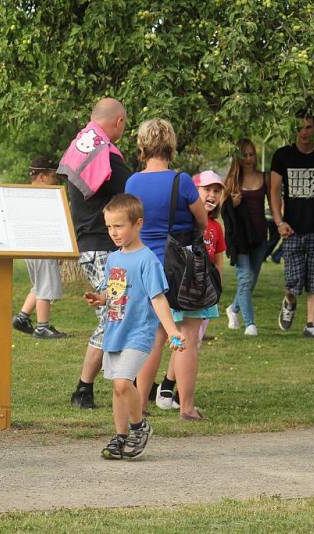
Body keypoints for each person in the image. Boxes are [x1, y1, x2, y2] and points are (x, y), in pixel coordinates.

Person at [84, 194, 184, 460]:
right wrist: (101, 298)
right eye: (109, 227)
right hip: (115, 330)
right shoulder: (114, 259)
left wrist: (172, 330)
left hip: (138, 333)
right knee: (117, 389)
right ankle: (120, 436)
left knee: (122, 382)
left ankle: (140, 427)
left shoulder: (147, 260)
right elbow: (114, 292)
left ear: (137, 224)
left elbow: (158, 298)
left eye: (119, 226)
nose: (113, 232)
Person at [124, 119, 209, 421]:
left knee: (153, 336)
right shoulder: (181, 181)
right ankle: (186, 407)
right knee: (185, 332)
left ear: (143, 145)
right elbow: (202, 221)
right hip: (182, 266)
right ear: (171, 145)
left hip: (147, 265)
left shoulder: (132, 183)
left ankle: (142, 404)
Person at [64, 97, 131, 409]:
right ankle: (83, 388)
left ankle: (130, 379)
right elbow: (130, 196)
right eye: (125, 123)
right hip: (104, 249)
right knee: (112, 315)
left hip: (88, 246)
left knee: (116, 313)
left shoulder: (82, 146)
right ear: (118, 121)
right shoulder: (108, 154)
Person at [156, 170, 225, 411]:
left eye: (217, 191)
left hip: (203, 293)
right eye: (207, 189)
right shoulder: (186, 224)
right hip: (181, 288)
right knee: (177, 337)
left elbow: (218, 262)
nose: (212, 195)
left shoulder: (216, 227)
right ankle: (166, 388)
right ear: (194, 193)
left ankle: (171, 389)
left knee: (191, 342)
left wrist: (217, 289)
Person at [270, 112, 314, 339]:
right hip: (291, 229)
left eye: (309, 127)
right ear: (294, 129)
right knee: (293, 283)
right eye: (300, 128)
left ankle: (311, 325)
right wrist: (279, 221)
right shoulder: (283, 156)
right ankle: (290, 303)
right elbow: (273, 190)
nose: (304, 132)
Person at [12, 156, 68, 339]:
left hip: (29, 248)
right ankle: (43, 326)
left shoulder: (26, 195)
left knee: (39, 284)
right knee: (45, 286)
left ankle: (22, 317)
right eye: (54, 177)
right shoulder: (46, 196)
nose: (56, 181)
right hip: (43, 247)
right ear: (43, 177)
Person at [221, 139, 272, 336]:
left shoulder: (264, 177)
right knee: (245, 278)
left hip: (259, 236)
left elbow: (274, 201)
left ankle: (233, 309)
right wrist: (232, 204)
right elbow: (222, 211)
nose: (249, 159)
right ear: (239, 158)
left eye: (252, 154)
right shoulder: (232, 181)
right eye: (245, 155)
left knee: (251, 280)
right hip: (240, 240)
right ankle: (250, 324)